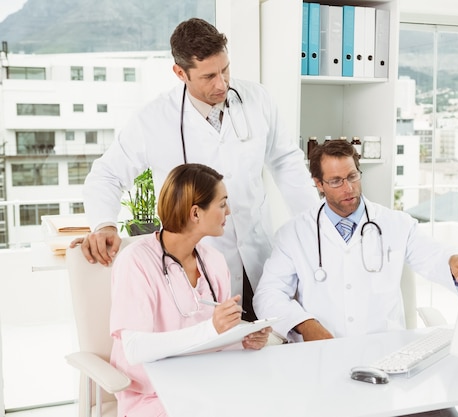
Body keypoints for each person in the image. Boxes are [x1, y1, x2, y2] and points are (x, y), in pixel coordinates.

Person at [73, 18, 319, 321]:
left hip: (258, 253)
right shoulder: (153, 120)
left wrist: (317, 225)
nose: (222, 84)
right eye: (209, 76)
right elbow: (106, 175)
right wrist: (105, 224)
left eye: (225, 69)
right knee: (211, 349)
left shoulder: (258, 99)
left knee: (266, 338)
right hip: (196, 263)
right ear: (180, 73)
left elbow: (286, 163)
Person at [253, 140, 458, 417]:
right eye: (336, 181)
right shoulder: (294, 233)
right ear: (318, 184)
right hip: (322, 366)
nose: (349, 188)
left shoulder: (394, 223)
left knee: (444, 414)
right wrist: (305, 325)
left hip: (388, 362)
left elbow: (434, 256)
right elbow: (268, 295)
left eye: (353, 176)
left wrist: (453, 261)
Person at [109, 163, 271, 416]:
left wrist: (244, 339)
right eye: (222, 203)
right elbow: (134, 348)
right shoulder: (136, 262)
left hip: (206, 383)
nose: (229, 211)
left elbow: (214, 338)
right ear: (196, 213)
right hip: (154, 395)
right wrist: (212, 329)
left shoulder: (214, 261)